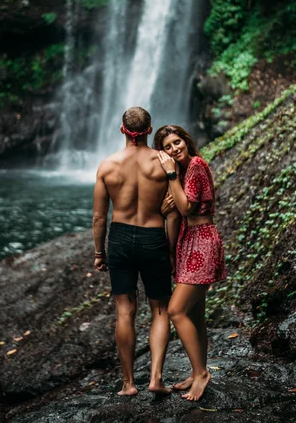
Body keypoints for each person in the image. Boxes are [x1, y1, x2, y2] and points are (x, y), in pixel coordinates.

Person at [93, 107, 173, 397]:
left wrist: (99, 253)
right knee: (160, 309)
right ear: (150, 130)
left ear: (121, 129)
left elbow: (99, 218)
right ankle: (156, 378)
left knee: (125, 310)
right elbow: (175, 204)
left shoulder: (108, 166)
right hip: (154, 237)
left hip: (121, 238)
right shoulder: (163, 162)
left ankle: (128, 384)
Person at [154, 124, 226, 402]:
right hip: (189, 241)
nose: (174, 149)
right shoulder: (185, 171)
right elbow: (172, 208)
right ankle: (199, 370)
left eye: (176, 142)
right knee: (195, 314)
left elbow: (185, 208)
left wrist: (171, 173)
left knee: (176, 310)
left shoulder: (195, 164)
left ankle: (201, 374)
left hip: (202, 241)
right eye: (167, 147)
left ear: (186, 140)